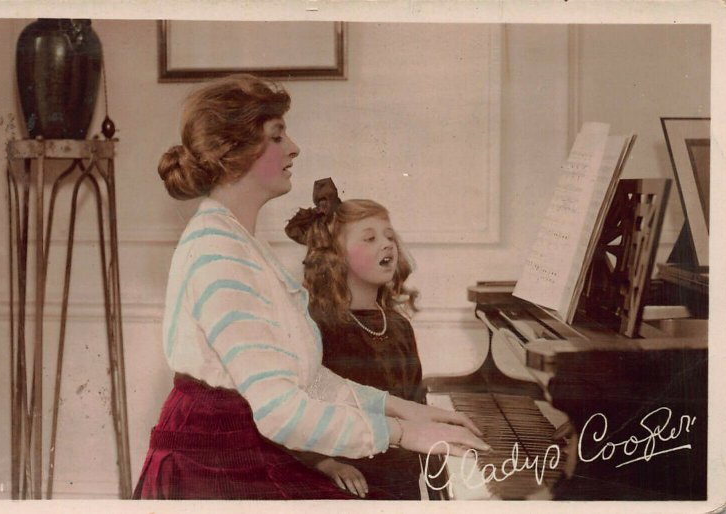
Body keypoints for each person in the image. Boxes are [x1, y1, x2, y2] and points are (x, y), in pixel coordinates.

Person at [133, 74, 489, 500]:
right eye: (277, 136)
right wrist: (401, 434)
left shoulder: (240, 241)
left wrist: (406, 410)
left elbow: (309, 380)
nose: (294, 147)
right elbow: (281, 412)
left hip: (243, 453)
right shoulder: (218, 254)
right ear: (238, 151)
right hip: (214, 470)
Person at [285, 180, 446, 499]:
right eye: (370, 238)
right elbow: (288, 409)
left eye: (389, 235)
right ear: (336, 256)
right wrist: (327, 465)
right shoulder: (319, 324)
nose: (387, 244)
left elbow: (415, 403)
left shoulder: (398, 325)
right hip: (345, 482)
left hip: (400, 476)